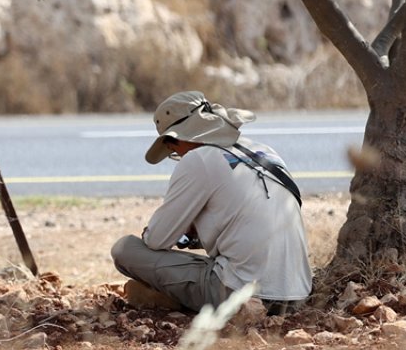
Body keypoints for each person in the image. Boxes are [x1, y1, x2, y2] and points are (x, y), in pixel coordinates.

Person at [111, 91, 312, 315]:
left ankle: (174, 301)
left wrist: (174, 229)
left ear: (180, 137)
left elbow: (157, 240)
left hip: (242, 294)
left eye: (169, 144)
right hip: (299, 293)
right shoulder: (264, 150)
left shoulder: (198, 159)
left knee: (125, 249)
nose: (173, 152)